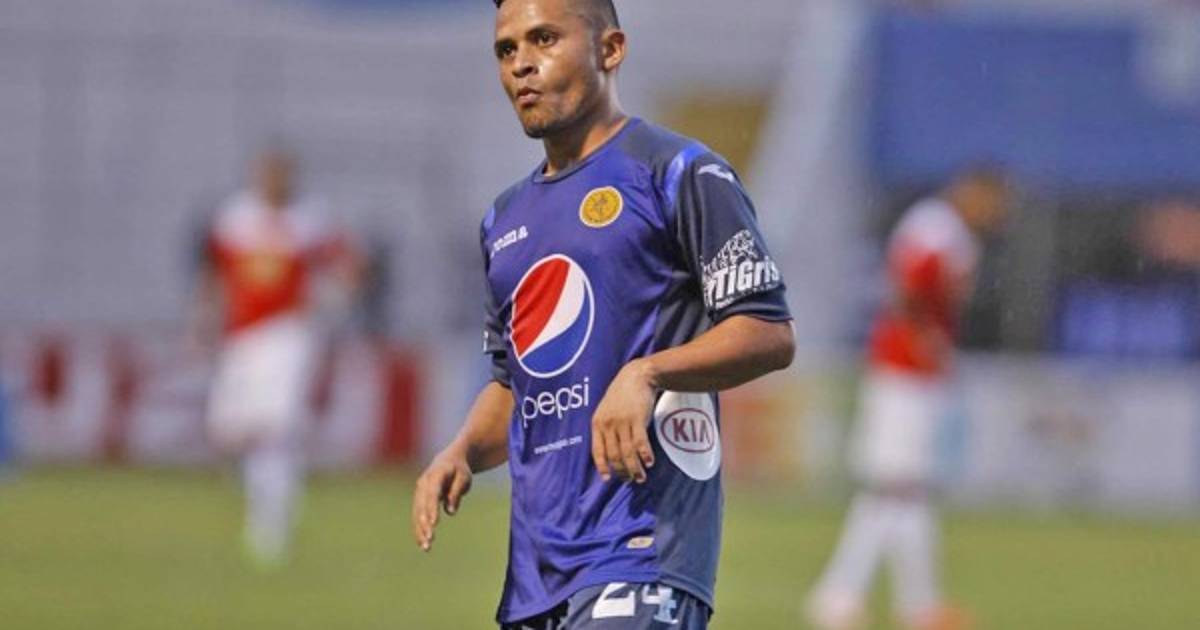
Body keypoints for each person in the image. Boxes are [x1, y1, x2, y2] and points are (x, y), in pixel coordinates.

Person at [410, 1, 796, 627]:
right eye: (507, 50)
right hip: (536, 577)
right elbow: (514, 386)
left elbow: (768, 331)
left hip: (643, 551)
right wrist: (459, 451)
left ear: (610, 50)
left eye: (544, 39)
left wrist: (647, 372)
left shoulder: (678, 173)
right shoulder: (503, 220)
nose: (522, 64)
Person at [806, 168, 1010, 630]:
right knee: (900, 487)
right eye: (995, 202)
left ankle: (882, 600)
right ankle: (891, 602)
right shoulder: (940, 231)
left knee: (897, 489)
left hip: (909, 369)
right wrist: (924, 340)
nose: (997, 214)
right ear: (976, 193)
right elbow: (905, 291)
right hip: (905, 370)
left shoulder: (939, 228)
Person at [194, 149, 360, 567]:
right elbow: (214, 274)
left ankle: (271, 523)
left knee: (275, 428)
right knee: (229, 429)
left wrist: (330, 304)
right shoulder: (235, 218)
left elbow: (348, 266)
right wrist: (204, 320)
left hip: (287, 335)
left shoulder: (309, 220)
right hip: (240, 337)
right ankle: (268, 497)